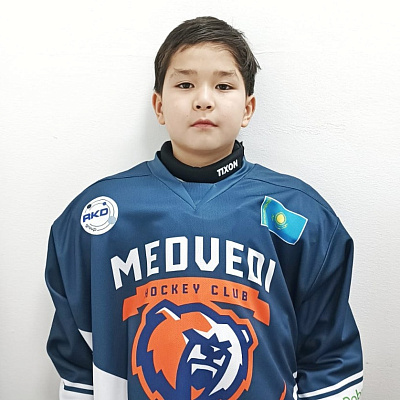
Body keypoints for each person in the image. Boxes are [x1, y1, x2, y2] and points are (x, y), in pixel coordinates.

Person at [45, 16, 363, 400]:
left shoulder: (301, 215)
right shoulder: (96, 217)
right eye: (185, 84)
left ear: (248, 109)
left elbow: (330, 357)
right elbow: (77, 361)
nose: (204, 99)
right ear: (159, 106)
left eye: (223, 85)